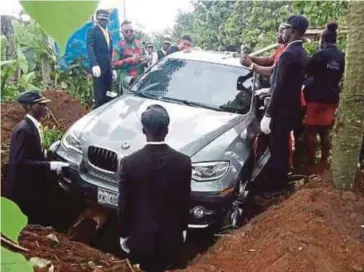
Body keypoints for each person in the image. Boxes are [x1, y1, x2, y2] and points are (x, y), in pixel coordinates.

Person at [118, 104, 192, 272]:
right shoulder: (183, 162)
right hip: (171, 238)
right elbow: (184, 200)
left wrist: (123, 233)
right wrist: (183, 228)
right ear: (167, 130)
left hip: (140, 239)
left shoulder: (129, 163)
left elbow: (124, 203)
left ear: (144, 131)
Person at [260, 15, 309, 194]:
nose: (282, 32)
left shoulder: (288, 54)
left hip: (281, 110)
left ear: (293, 31)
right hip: (290, 109)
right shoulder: (300, 52)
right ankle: (280, 183)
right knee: (280, 146)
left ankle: (276, 188)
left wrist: (268, 114)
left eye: (285, 28)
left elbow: (279, 87)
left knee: (278, 148)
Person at [6, 91, 69, 223]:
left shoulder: (33, 126)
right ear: (30, 107)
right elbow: (20, 163)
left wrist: (47, 153)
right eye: (41, 105)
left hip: (33, 188)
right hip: (24, 190)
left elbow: (30, 153)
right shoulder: (24, 130)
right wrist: (50, 166)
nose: (46, 108)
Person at [304, 22, 345, 168]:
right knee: (325, 129)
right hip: (332, 97)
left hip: (316, 96)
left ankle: (310, 162)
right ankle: (324, 161)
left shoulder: (320, 54)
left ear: (323, 40)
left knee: (311, 130)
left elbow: (307, 69)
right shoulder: (341, 56)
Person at [87, 9, 117, 109]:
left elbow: (110, 52)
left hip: (108, 68)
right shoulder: (93, 30)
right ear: (98, 19)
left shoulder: (109, 32)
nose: (104, 21)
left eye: (105, 20)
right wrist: (94, 64)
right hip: (98, 68)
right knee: (99, 95)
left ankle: (107, 112)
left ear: (108, 20)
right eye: (101, 19)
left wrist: (113, 68)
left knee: (108, 94)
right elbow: (90, 48)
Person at [113, 20, 145, 92]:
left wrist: (145, 60)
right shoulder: (118, 46)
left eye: (131, 31)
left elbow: (143, 57)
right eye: (126, 31)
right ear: (122, 32)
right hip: (127, 82)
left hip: (140, 80)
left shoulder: (139, 44)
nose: (129, 33)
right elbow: (113, 64)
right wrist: (130, 60)